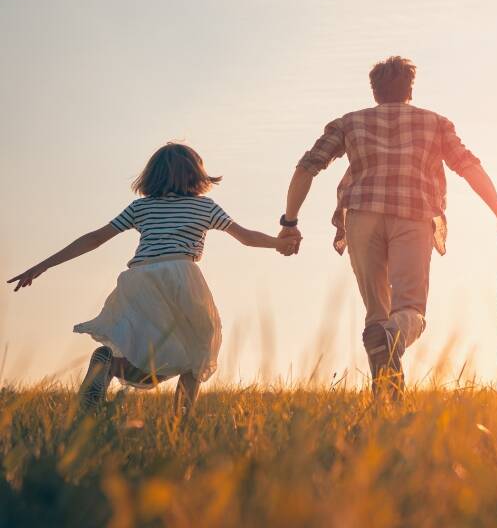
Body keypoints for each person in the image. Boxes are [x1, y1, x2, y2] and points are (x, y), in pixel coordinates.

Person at [279, 56, 497, 399]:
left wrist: (290, 222)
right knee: (410, 310)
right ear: (410, 90)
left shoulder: (349, 123)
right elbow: (469, 167)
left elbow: (307, 167)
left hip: (362, 217)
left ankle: (387, 400)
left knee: (378, 313)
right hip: (413, 214)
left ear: (374, 91)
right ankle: (389, 368)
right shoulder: (435, 123)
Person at [7, 143, 295, 414]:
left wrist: (43, 265)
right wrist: (279, 243)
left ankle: (108, 365)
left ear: (151, 176)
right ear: (196, 173)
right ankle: (180, 423)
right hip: (181, 274)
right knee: (199, 348)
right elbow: (246, 237)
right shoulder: (205, 207)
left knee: (142, 345)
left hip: (139, 278)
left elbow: (95, 238)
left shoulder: (141, 207)